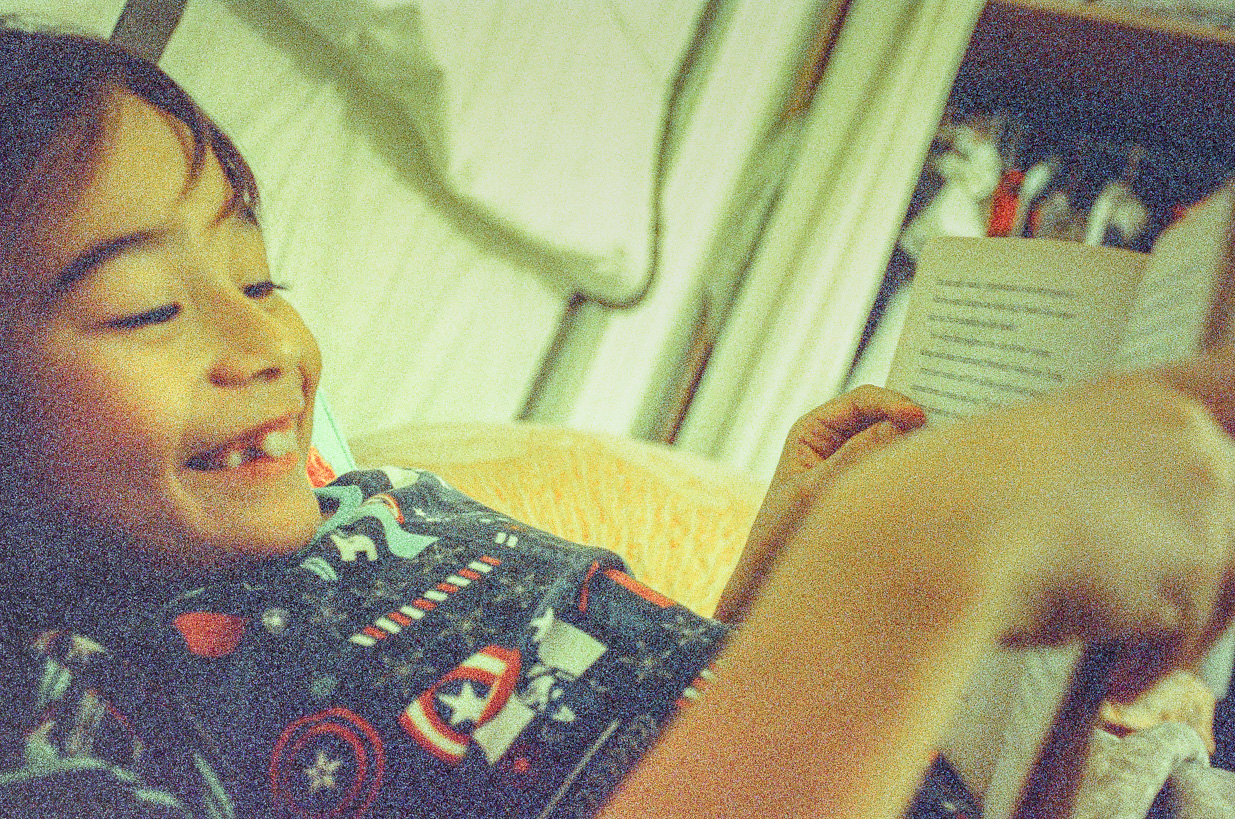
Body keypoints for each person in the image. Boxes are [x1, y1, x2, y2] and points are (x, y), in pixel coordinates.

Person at [2, 23, 1235, 819]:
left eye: (261, 278)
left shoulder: (373, 507)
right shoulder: (73, 733)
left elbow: (606, 747)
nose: (268, 342)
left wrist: (773, 592)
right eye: (145, 308)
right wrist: (909, 564)